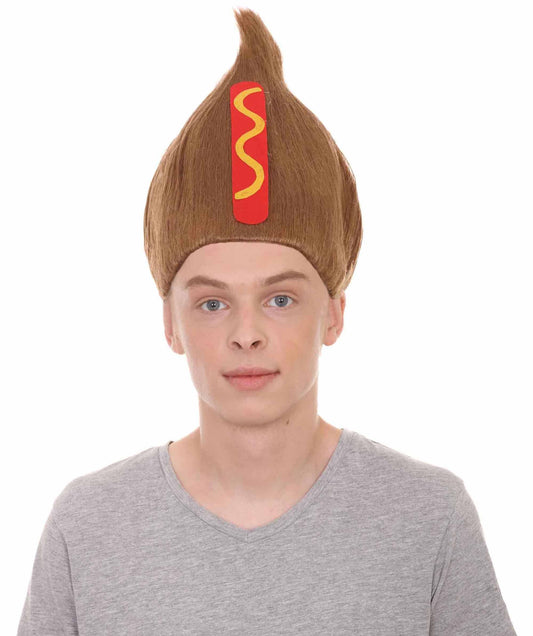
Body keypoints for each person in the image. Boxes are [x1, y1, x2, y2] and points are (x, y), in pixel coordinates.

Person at [17, 8, 516, 635]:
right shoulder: (87, 528)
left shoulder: (430, 519)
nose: (246, 333)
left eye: (280, 299)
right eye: (212, 303)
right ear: (170, 324)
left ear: (334, 313)